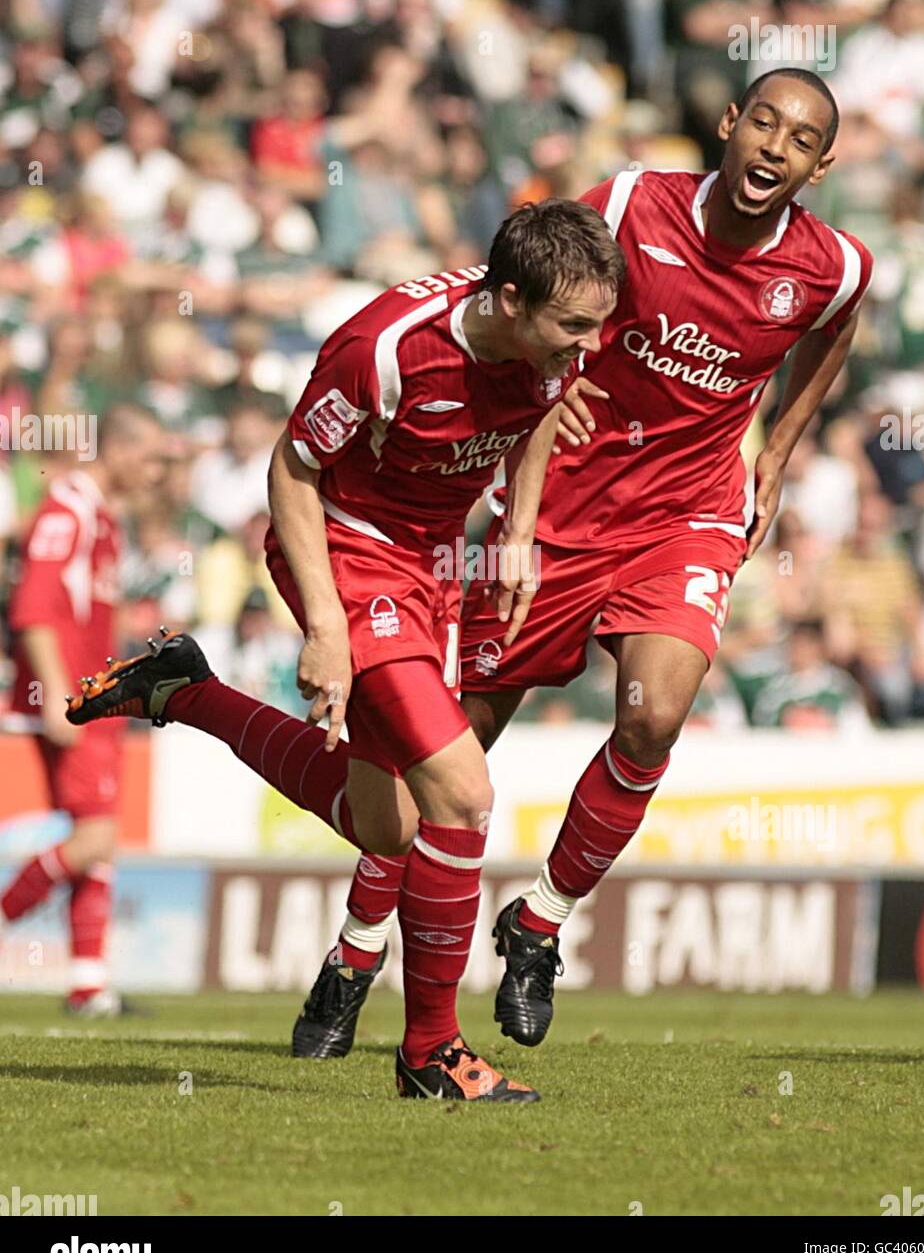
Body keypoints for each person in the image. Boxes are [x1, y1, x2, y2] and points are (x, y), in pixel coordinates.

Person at [295, 67, 875, 1052]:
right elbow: (532, 301)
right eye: (763, 123)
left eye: (801, 139)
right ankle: (357, 949)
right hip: (559, 504)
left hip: (687, 515)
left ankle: (541, 920)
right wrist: (535, 413)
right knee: (443, 756)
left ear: (824, 163)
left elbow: (835, 329)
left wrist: (775, 451)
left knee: (653, 715)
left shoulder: (833, 266)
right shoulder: (626, 201)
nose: (775, 148)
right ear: (729, 123)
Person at [65, 198, 625, 1101]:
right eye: (572, 325)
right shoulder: (385, 350)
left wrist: (517, 532)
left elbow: (535, 427)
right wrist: (328, 627)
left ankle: (185, 691)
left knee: (386, 826)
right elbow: (290, 469)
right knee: (461, 790)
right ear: (510, 299)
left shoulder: (549, 352)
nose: (588, 347)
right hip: (345, 552)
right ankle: (430, 1052)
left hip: (433, 569)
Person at [0, 404, 167, 1014]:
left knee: (99, 838)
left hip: (98, 698)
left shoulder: (101, 518)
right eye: (151, 459)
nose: (155, 473)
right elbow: (33, 610)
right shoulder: (67, 510)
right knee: (95, 837)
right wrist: (53, 698)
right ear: (120, 451)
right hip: (72, 700)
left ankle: (89, 984)